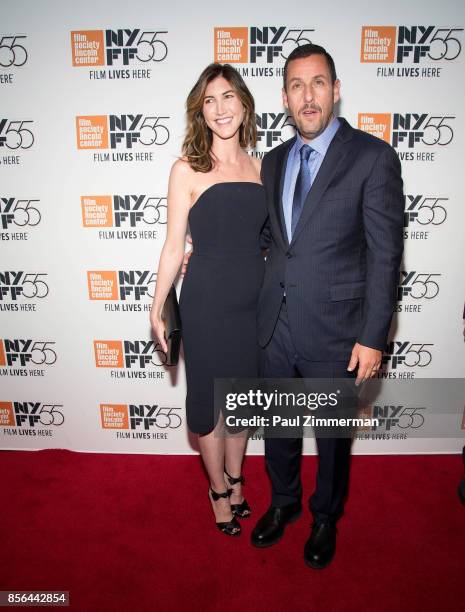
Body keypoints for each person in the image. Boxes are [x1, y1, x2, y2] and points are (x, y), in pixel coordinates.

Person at [250, 44, 404, 568]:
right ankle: (285, 502)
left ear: (335, 91)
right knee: (279, 427)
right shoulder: (272, 161)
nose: (307, 96)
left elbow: (386, 255)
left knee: (333, 439)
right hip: (276, 326)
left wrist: (373, 335)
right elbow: (274, 239)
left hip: (339, 330)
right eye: (296, 85)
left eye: (318, 83)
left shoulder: (372, 156)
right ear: (285, 97)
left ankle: (324, 517)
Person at [150, 64, 267, 536]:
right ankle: (218, 491)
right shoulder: (187, 169)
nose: (220, 109)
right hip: (206, 305)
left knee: (241, 403)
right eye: (209, 101)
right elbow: (174, 246)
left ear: (244, 103)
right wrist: (157, 306)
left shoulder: (264, 167)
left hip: (253, 305)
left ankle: (237, 482)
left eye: (228, 97)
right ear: (201, 111)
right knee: (211, 409)